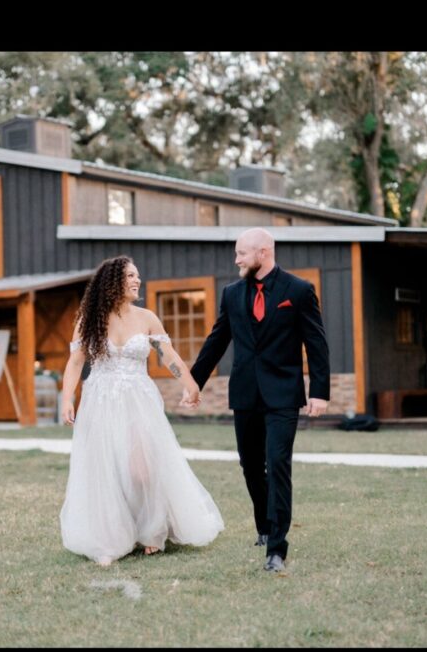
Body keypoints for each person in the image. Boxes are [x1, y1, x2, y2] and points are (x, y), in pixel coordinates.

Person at [59, 255, 224, 566]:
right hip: (101, 401)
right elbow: (76, 362)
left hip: (138, 401)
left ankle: (152, 530)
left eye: (138, 275)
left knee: (141, 469)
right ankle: (109, 539)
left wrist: (190, 384)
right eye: (131, 276)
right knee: (105, 469)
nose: (138, 281)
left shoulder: (147, 317)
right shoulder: (88, 318)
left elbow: (167, 354)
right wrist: (68, 398)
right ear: (112, 283)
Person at [187, 228, 330, 574]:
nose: (236, 260)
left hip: (283, 394)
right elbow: (217, 340)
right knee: (251, 465)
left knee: (277, 462)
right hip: (246, 394)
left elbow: (316, 343)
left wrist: (320, 392)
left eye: (241, 253)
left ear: (263, 253)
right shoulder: (232, 293)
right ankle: (264, 527)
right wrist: (194, 382)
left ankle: (277, 550)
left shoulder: (298, 291)